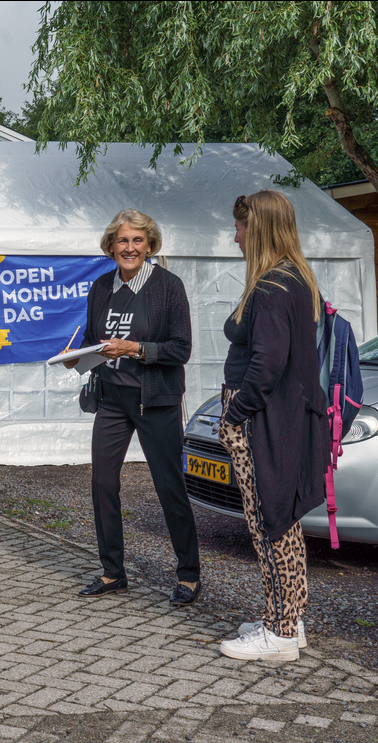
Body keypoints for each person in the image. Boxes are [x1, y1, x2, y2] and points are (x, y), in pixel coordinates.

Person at [63, 210, 201, 605]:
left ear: (150, 245)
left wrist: (135, 348)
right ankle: (112, 572)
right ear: (110, 246)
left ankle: (189, 574)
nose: (130, 248)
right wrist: (78, 357)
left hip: (155, 400)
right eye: (123, 241)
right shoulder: (101, 287)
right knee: (103, 483)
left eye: (138, 240)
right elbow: (95, 341)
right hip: (112, 399)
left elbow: (181, 349)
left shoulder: (168, 286)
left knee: (169, 486)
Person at [217, 190, 328, 662]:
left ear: (258, 228)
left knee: (269, 522)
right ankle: (286, 620)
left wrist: (234, 416)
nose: (235, 236)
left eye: (241, 227)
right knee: (281, 521)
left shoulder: (271, 287)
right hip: (279, 417)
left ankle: (280, 633)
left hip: (262, 420)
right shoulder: (292, 279)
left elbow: (266, 366)